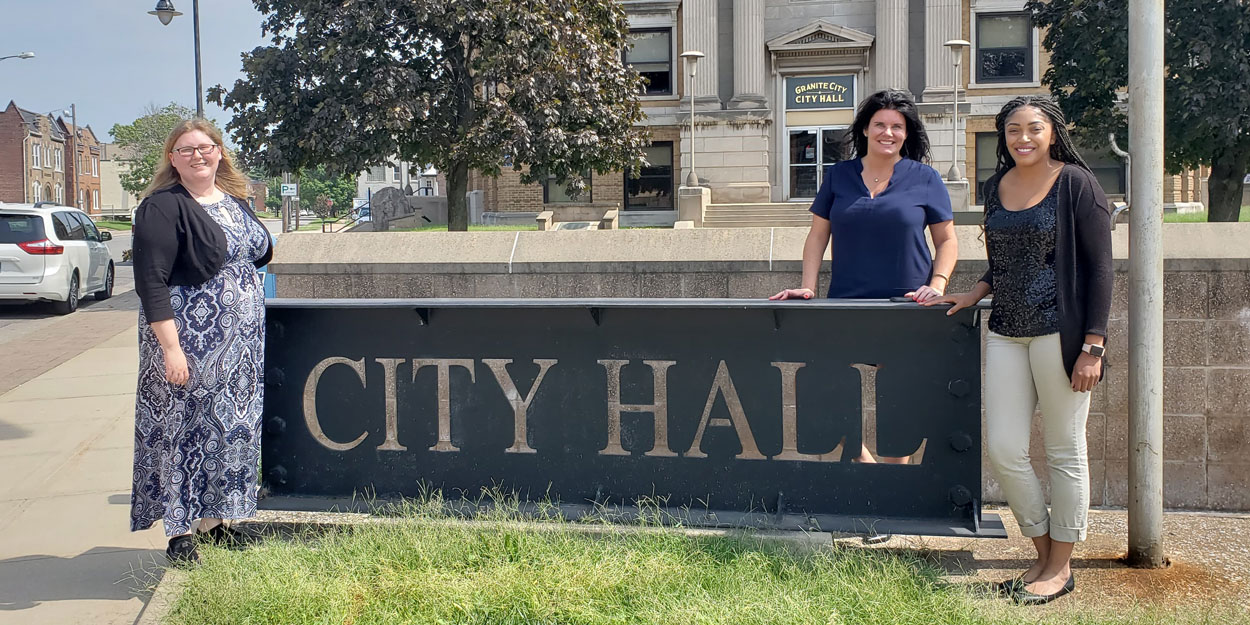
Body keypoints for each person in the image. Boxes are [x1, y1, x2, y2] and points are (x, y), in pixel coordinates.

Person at [926, 96, 1112, 605]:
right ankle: (1043, 550)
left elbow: (1100, 269)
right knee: (1006, 449)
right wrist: (974, 293)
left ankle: (1060, 566)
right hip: (1007, 330)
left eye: (1033, 128)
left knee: (1064, 451)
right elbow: (1003, 262)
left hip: (1063, 334)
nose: (1022, 138)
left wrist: (1093, 346)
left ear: (1052, 131)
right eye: (1013, 130)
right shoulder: (996, 186)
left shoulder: (1077, 183)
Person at [771, 88, 957, 465]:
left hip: (906, 308)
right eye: (879, 124)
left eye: (897, 126)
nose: (887, 133)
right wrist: (809, 286)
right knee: (827, 401)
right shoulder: (839, 176)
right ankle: (870, 470)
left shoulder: (925, 178)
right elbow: (818, 235)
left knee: (897, 410)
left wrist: (937, 285)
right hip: (846, 304)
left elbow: (948, 240)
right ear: (866, 129)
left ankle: (892, 492)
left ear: (907, 132)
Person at [129, 119, 273, 564]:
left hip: (241, 350)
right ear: (172, 158)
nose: (198, 155)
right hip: (189, 340)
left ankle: (216, 525)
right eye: (186, 149)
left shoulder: (234, 201)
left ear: (219, 152)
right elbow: (151, 281)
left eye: (206, 147)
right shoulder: (161, 207)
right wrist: (171, 349)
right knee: (183, 432)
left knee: (229, 430)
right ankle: (180, 533)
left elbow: (259, 255)